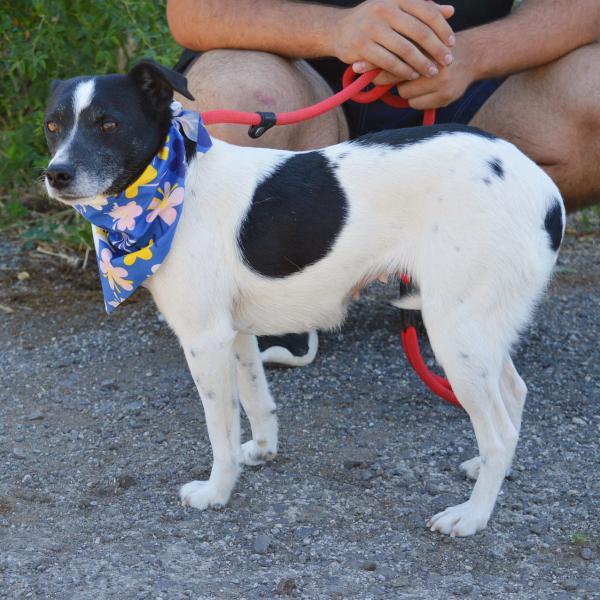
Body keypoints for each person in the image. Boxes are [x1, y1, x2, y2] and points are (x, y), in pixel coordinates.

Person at [166, 0, 600, 366]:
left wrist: (474, 55)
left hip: (475, 87)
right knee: (229, 93)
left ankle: (457, 267)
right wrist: (334, 29)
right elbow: (193, 11)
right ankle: (275, 286)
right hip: (299, 82)